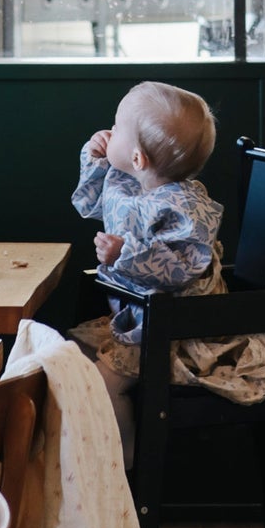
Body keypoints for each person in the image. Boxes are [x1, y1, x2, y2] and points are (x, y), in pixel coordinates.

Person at [70, 81, 223, 459]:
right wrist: (94, 158)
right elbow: (89, 205)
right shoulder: (128, 184)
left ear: (138, 158)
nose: (111, 130)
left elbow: (183, 268)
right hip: (135, 318)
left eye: (118, 127)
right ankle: (80, 456)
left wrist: (127, 253)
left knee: (107, 382)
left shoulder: (185, 206)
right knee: (70, 358)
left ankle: (123, 461)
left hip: (174, 330)